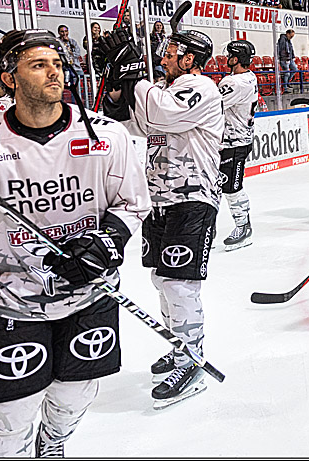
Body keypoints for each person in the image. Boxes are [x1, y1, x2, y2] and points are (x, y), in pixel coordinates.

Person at [0, 29, 150, 457]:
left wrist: (107, 242)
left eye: (58, 64)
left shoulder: (107, 137)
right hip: (9, 304)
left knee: (76, 396)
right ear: (9, 79)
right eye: (38, 64)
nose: (54, 72)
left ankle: (54, 442)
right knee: (10, 420)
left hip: (90, 294)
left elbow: (134, 203)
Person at [99, 26, 223, 408]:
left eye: (170, 52)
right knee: (161, 278)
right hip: (161, 201)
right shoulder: (165, 92)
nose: (164, 57)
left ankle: (192, 361)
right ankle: (178, 344)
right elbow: (129, 121)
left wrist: (134, 73)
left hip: (193, 200)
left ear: (189, 59)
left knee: (179, 284)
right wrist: (117, 81)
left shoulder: (201, 88)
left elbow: (162, 113)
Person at [217, 40, 259, 250]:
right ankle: (206, 227)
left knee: (232, 188)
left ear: (236, 59)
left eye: (230, 55)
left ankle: (243, 228)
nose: (226, 59)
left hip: (234, 143)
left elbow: (211, 105)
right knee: (216, 186)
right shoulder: (249, 77)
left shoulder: (234, 82)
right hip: (234, 140)